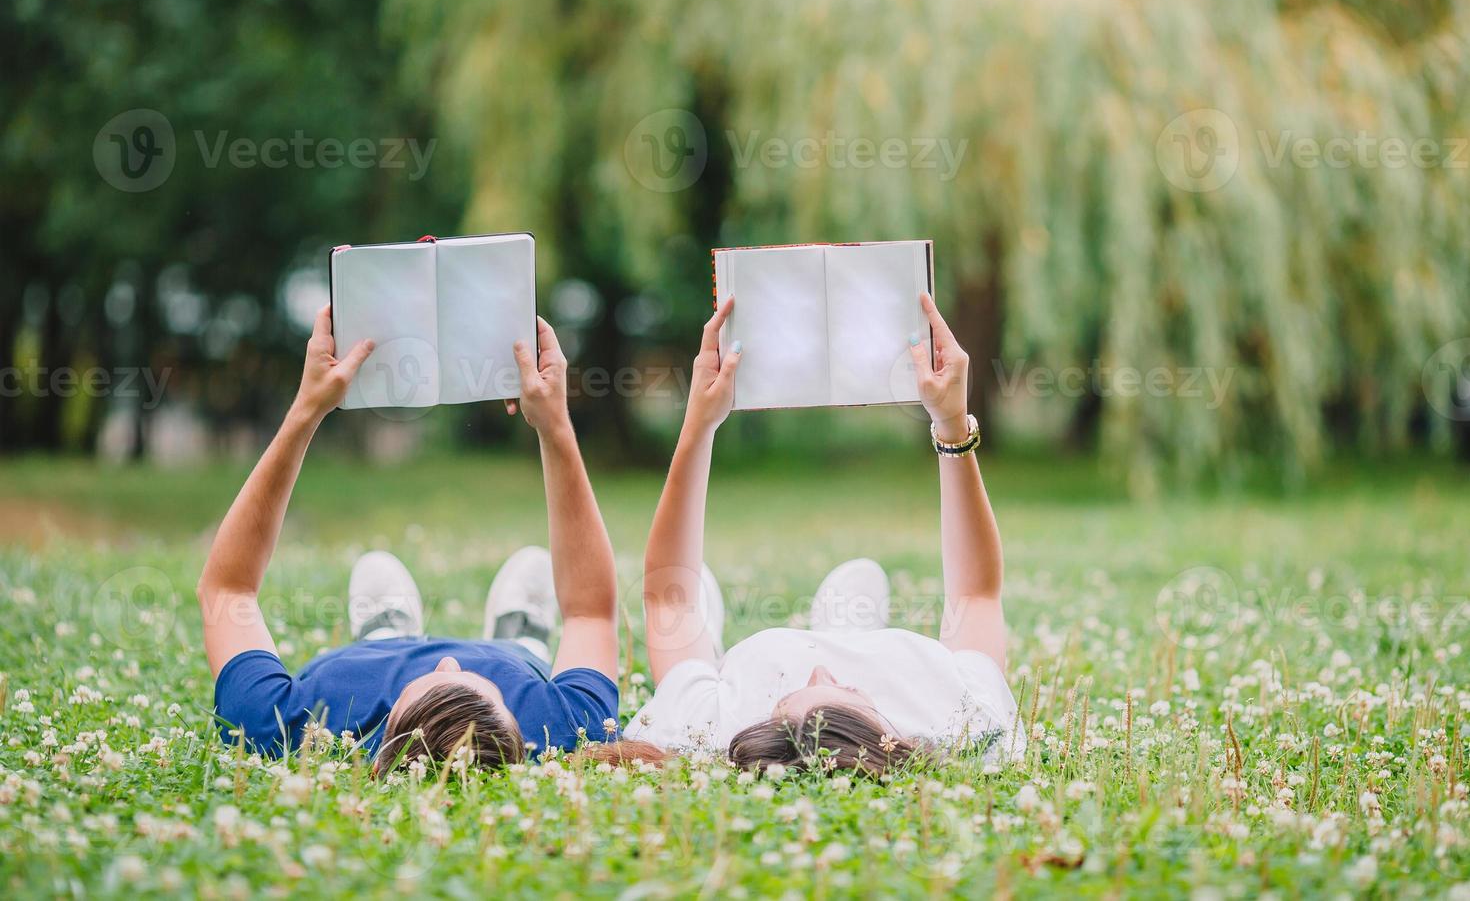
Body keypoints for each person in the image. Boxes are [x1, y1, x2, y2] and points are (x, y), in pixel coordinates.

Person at [199, 307, 621, 773]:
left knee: (376, 639)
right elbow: (588, 611)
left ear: (385, 740)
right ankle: (521, 639)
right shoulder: (563, 728)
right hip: (508, 662)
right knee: (522, 658)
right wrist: (554, 425)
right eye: (475, 686)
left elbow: (228, 590)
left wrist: (307, 408)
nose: (446, 664)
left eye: (429, 684)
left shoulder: (283, 728)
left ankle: (384, 633)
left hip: (361, 665)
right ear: (519, 736)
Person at [621, 293, 1022, 776]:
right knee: (858, 596)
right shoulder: (967, 723)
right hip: (894, 661)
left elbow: (670, 599)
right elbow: (976, 595)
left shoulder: (709, 731)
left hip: (765, 661)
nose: (821, 671)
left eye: (791, 695)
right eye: (850, 691)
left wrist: (699, 424)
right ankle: (846, 625)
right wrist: (952, 424)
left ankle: (803, 628)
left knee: (692, 600)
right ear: (891, 737)